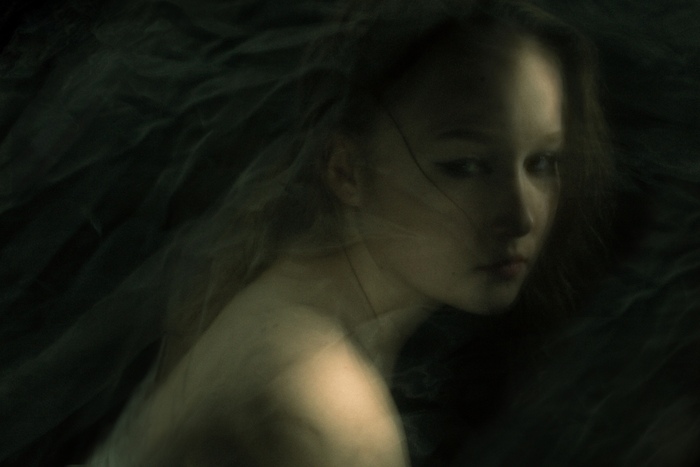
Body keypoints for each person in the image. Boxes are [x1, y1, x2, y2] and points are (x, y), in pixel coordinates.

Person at [84, 0, 613, 465]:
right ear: (346, 170)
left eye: (542, 163)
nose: (521, 217)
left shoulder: (281, 290)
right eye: (466, 166)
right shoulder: (324, 406)